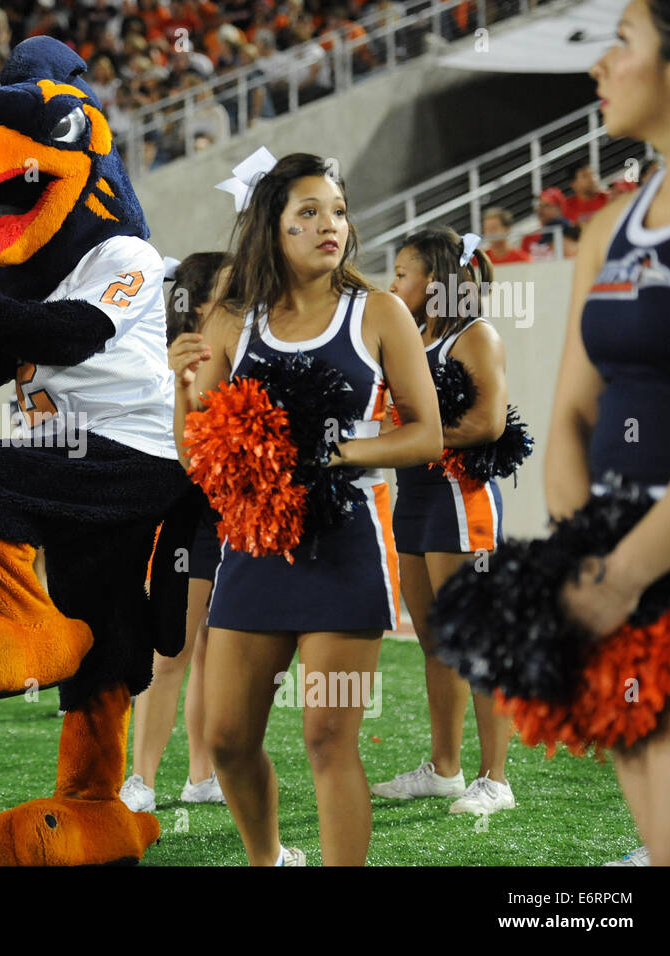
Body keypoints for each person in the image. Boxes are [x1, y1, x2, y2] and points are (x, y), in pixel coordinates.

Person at [171, 153, 441, 865]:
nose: (331, 226)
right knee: (228, 738)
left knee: (327, 735)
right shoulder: (233, 321)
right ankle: (271, 859)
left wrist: (335, 457)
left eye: (339, 212)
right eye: (309, 214)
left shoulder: (378, 311)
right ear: (274, 228)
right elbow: (197, 456)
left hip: (345, 547)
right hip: (254, 547)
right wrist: (180, 388)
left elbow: (426, 433)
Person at [547, 0, 670, 867]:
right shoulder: (608, 225)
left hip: (651, 572)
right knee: (654, 833)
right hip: (617, 575)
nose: (598, 67)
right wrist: (584, 551)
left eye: (621, 44)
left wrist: (622, 575)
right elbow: (566, 412)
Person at [372, 225, 517, 814]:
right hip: (416, 496)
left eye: (402, 273)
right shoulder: (409, 339)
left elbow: (488, 424)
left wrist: (410, 438)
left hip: (462, 498)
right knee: (434, 640)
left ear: (434, 281)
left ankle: (496, 780)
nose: (392, 282)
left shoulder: (473, 335)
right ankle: (445, 769)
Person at [121, 251, 229, 812]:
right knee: (171, 653)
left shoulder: (243, 349)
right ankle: (140, 779)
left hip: (233, 513)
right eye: (230, 292)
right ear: (197, 302)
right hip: (184, 513)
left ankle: (202, 774)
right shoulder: (157, 357)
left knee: (216, 654)